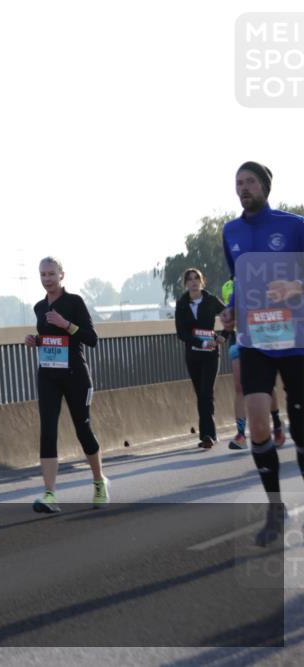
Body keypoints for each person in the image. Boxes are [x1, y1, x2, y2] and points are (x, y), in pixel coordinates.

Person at [220, 161, 304, 546]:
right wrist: (231, 309)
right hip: (255, 339)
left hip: (295, 339)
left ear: (266, 186)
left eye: (250, 181)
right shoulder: (231, 231)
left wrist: (295, 284)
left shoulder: (293, 226)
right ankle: (275, 508)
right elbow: (241, 279)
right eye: (238, 183)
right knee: (257, 422)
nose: (243, 188)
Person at [24, 257, 108, 513]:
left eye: (51, 274)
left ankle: (99, 482)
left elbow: (91, 338)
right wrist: (36, 341)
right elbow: (51, 339)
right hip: (48, 374)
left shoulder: (74, 302)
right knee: (48, 431)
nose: (47, 279)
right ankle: (50, 494)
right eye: (42, 275)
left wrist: (66, 325)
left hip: (75, 375)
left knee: (83, 430)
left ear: (62, 275)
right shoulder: (39, 307)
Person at [220, 278, 286, 450]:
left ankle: (277, 423)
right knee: (239, 388)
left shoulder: (266, 280)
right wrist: (222, 335)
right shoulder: (231, 286)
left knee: (266, 386)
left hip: (261, 339)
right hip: (239, 342)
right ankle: (241, 434)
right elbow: (229, 314)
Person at [174, 268, 227, 449]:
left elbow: (229, 316)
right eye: (189, 279)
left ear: (202, 281)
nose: (193, 282)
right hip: (193, 355)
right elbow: (181, 333)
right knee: (200, 394)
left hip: (211, 354)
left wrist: (224, 336)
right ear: (186, 283)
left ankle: (208, 435)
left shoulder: (211, 300)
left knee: (207, 392)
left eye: (197, 278)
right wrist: (200, 343)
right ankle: (207, 434)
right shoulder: (181, 304)